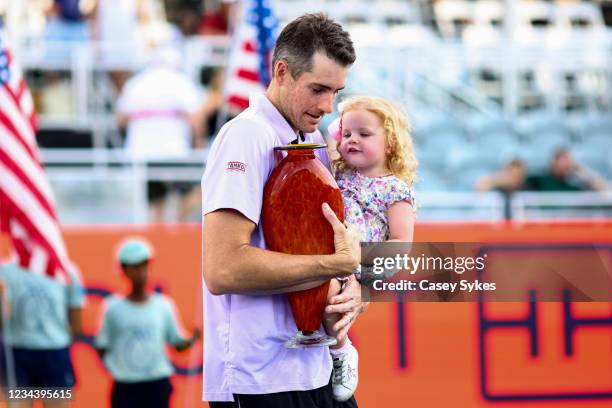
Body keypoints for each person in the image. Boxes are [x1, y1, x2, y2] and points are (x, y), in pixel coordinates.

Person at [201, 13, 365, 408]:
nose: (328, 106)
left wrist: (353, 287)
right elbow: (222, 269)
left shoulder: (314, 139)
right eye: (318, 89)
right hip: (257, 378)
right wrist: (334, 266)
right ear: (281, 71)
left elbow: (336, 249)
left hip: (317, 367)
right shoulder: (245, 136)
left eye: (337, 91)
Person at [325, 96, 417, 400]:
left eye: (364, 134)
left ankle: (342, 352)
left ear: (390, 142)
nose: (353, 140)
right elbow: (327, 138)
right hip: (334, 253)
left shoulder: (395, 189)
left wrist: (358, 266)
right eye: (347, 134)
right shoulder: (339, 174)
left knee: (334, 300)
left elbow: (401, 243)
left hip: (367, 261)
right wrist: (337, 127)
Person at [95, 238, 200, 408]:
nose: (141, 271)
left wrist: (191, 340)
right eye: (135, 266)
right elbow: (102, 345)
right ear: (123, 269)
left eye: (144, 265)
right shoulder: (112, 308)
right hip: (125, 387)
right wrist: (118, 369)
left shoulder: (163, 305)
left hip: (157, 385)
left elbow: (177, 344)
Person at [116, 46, 203, 223]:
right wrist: (197, 143)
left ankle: (160, 231)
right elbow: (195, 118)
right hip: (174, 149)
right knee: (194, 191)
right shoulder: (181, 81)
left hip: (142, 149)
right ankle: (179, 226)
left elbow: (121, 118)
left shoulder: (136, 83)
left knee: (156, 200)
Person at [0, 261, 85, 408]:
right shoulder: (6, 272)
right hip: (18, 356)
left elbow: (77, 325)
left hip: (54, 357)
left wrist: (52, 339)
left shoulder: (66, 271)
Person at [524, 148, 609, 192]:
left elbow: (606, 192)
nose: (563, 166)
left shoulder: (572, 187)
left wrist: (582, 172)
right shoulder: (540, 181)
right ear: (552, 163)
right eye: (560, 161)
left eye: (567, 162)